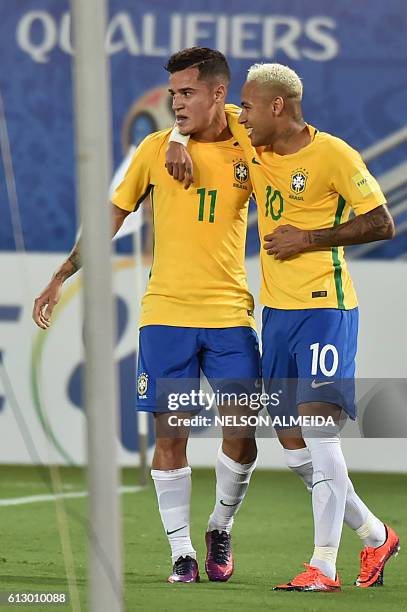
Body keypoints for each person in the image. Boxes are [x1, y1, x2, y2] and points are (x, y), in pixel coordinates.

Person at [167, 61, 399, 592]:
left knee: (318, 430)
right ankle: (375, 534)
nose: (239, 116)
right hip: (276, 313)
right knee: (294, 445)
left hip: (325, 307)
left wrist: (309, 239)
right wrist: (173, 141)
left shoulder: (334, 155)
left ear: (278, 106)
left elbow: (381, 222)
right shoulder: (253, 143)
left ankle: (322, 565)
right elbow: (191, 108)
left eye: (247, 106)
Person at [32, 48, 261, 585]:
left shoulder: (253, 143)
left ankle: (219, 526)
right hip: (165, 316)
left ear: (219, 94)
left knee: (242, 433)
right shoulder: (155, 149)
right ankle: (181, 551)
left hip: (230, 312)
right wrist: (62, 274)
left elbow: (297, 140)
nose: (175, 103)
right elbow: (108, 217)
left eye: (187, 93)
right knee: (170, 434)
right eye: (174, 93)